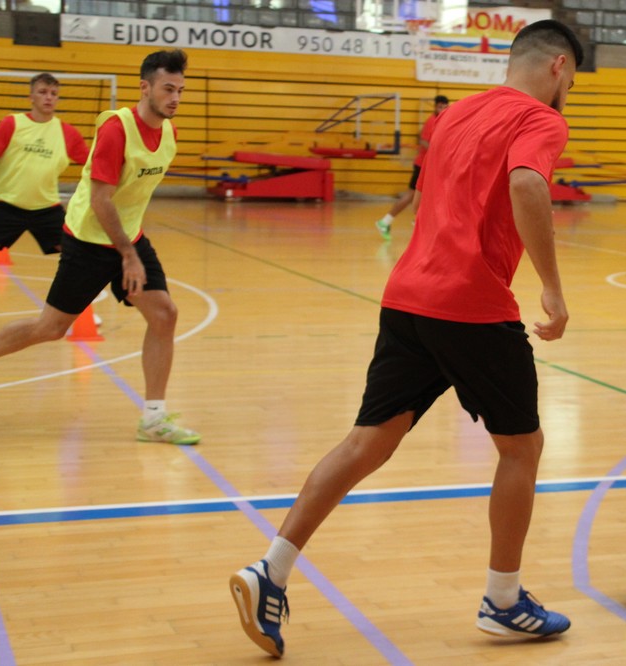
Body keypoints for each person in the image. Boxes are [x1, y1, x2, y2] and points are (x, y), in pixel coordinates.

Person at [230, 19, 582, 658]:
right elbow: (528, 183)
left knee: (367, 440)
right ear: (559, 66)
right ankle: (503, 602)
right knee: (521, 449)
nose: (569, 94)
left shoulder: (454, 116)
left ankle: (270, 571)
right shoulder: (540, 119)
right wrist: (552, 288)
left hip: (408, 297)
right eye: (574, 80)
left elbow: (432, 200)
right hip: (472, 307)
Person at [0, 49, 200, 446]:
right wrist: (127, 255)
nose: (175, 97)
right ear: (145, 87)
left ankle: (154, 419)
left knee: (165, 314)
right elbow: (101, 200)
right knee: (50, 328)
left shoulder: (170, 134)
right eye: (168, 88)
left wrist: (131, 248)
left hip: (129, 238)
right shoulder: (116, 130)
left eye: (180, 90)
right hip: (90, 242)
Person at [0, 72, 90, 331]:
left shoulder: (67, 133)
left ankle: (79, 313)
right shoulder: (11, 124)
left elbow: (92, 165)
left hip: (46, 209)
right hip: (8, 207)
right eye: (43, 92)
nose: (49, 98)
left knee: (78, 256)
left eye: (54, 94)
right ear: (31, 97)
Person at [374, 94, 449, 240]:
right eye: (440, 106)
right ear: (435, 106)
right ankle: (393, 221)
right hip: (423, 166)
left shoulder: (440, 120)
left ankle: (392, 221)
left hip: (428, 166)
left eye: (444, 106)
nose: (442, 109)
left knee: (423, 195)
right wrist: (438, 150)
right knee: (412, 196)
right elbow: (423, 141)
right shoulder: (431, 121)